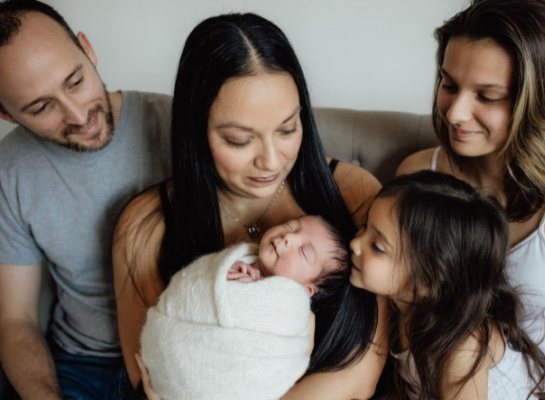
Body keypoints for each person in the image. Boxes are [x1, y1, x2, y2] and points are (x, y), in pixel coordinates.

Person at [112, 12, 388, 400]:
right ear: (195, 132)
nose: (272, 161)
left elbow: (360, 376)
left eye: (288, 129)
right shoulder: (147, 225)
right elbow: (153, 371)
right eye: (240, 141)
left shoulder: (355, 194)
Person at [395, 1, 545, 398]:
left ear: (539, 100)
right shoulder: (420, 177)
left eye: (487, 96)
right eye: (449, 85)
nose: (455, 113)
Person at [0, 0, 172, 399]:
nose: (78, 116)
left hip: (172, 351)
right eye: (42, 107)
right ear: (7, 115)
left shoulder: (177, 124)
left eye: (75, 81)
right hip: (78, 364)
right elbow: (15, 320)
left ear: (87, 49)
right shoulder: (10, 171)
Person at [350, 170, 545, 399]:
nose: (355, 243)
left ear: (429, 280)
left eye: (378, 247)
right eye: (364, 226)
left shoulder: (464, 345)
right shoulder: (398, 305)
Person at [138, 215, 351, 400]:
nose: (289, 238)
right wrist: (227, 273)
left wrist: (253, 294)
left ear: (309, 289)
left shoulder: (296, 316)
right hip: (169, 351)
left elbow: (280, 363)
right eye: (290, 226)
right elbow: (200, 282)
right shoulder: (242, 257)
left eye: (304, 252)